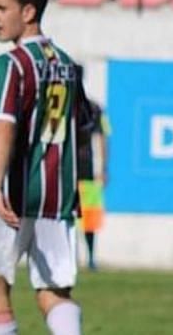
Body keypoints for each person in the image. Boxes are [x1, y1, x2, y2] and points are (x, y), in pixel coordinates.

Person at [0, 0, 91, 335]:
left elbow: (4, 124)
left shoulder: (10, 63)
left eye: (0, 7)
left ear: (27, 12)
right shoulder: (68, 65)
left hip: (10, 194)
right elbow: (83, 124)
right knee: (54, 292)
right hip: (57, 197)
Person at [75, 94, 109, 271]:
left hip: (86, 170)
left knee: (89, 218)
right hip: (72, 170)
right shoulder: (93, 107)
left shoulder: (94, 108)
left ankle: (90, 257)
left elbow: (102, 138)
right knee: (70, 217)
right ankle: (77, 257)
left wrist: (102, 169)